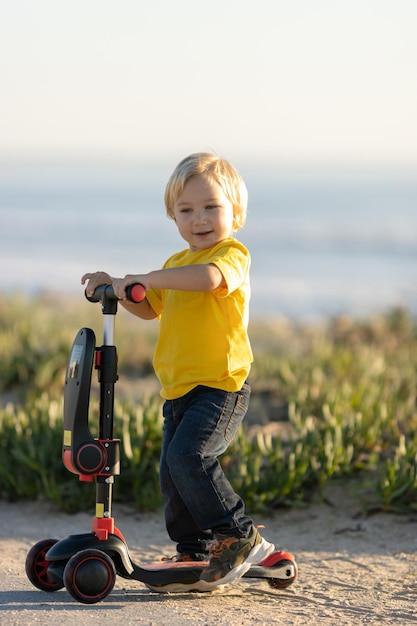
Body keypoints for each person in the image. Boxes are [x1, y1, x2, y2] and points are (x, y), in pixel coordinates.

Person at [81, 152, 275, 591]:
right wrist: (117, 287)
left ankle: (239, 535)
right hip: (179, 388)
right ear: (173, 216)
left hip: (220, 385)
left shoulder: (231, 255)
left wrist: (150, 277)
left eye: (212, 207)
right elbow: (149, 309)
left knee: (192, 457)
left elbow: (208, 279)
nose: (199, 219)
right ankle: (194, 549)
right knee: (172, 470)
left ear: (236, 214)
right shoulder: (173, 266)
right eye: (186, 210)